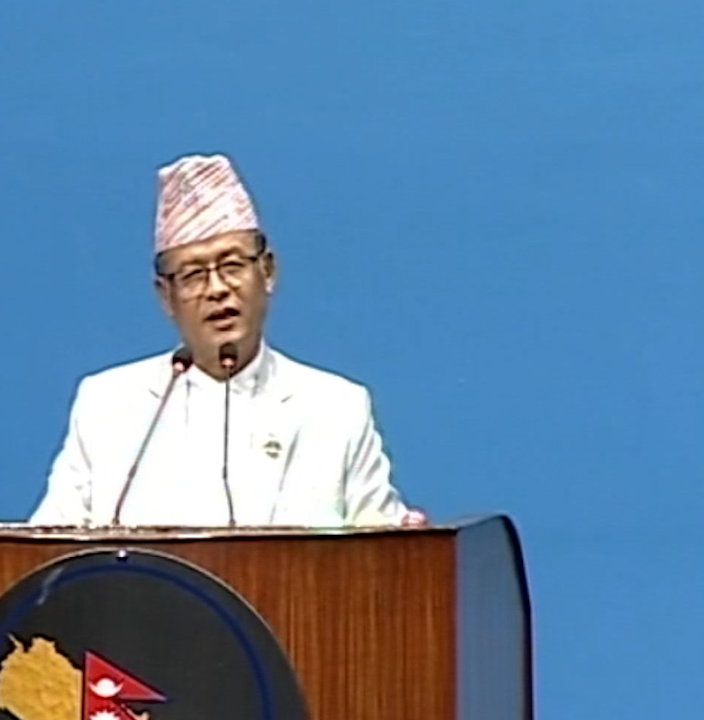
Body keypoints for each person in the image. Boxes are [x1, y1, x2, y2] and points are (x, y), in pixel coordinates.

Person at [29, 153, 427, 528]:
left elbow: (379, 543)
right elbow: (46, 551)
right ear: (166, 297)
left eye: (232, 265)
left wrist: (404, 543)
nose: (217, 289)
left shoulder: (335, 408)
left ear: (267, 271)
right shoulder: (107, 405)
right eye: (193, 275)